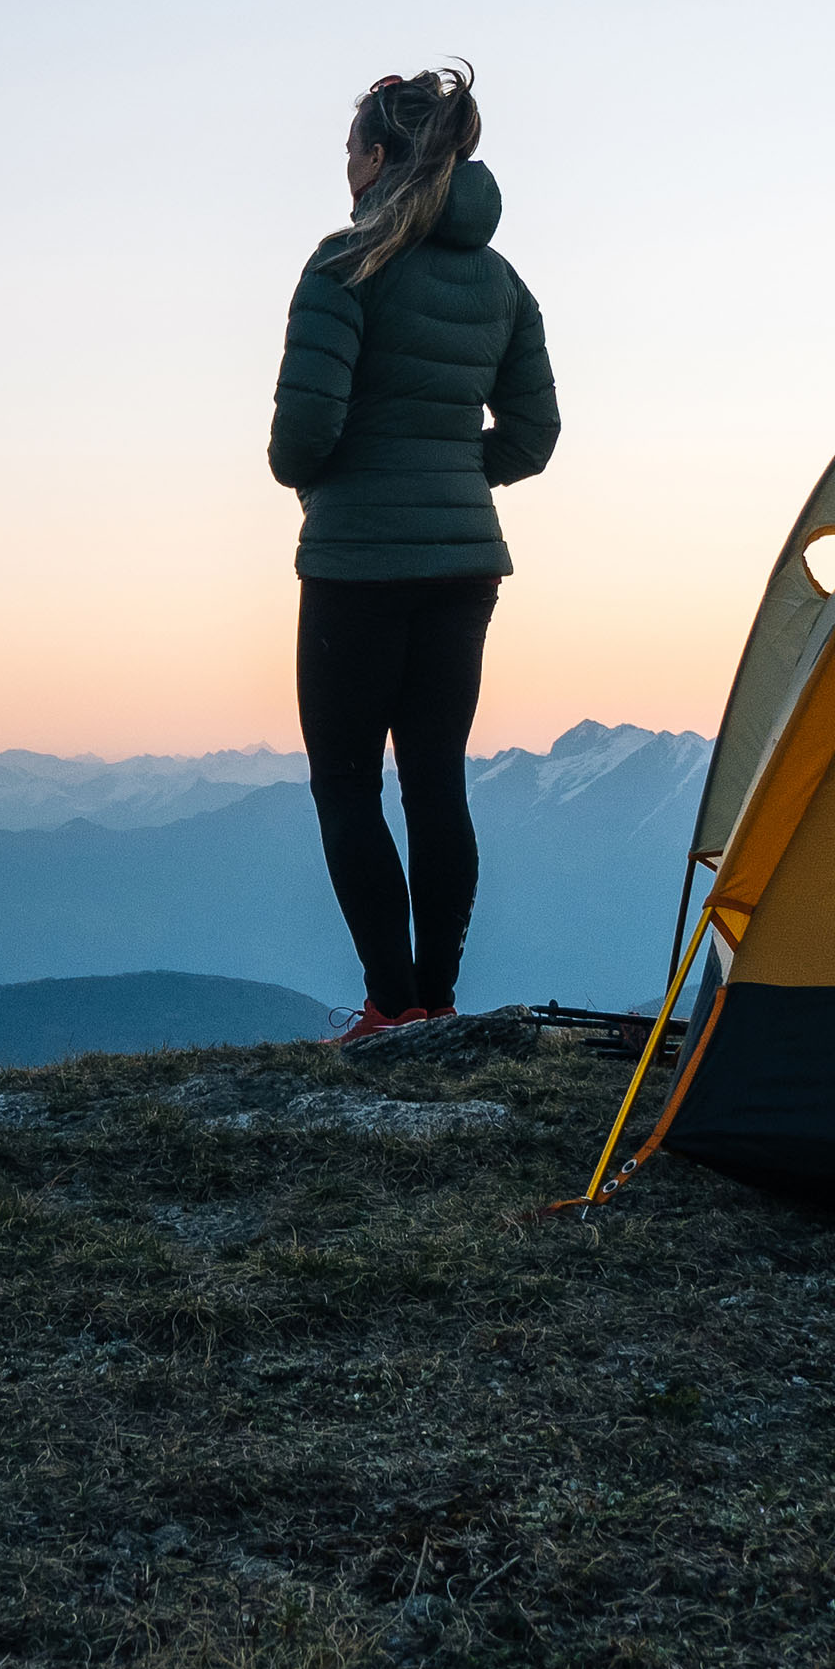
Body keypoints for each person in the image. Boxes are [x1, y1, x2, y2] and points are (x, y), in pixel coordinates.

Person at [268, 64, 559, 1045]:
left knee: (345, 780)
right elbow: (530, 438)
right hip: (464, 565)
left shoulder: (344, 264)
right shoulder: (504, 282)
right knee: (436, 778)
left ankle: (389, 1004)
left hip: (355, 562)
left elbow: (299, 441)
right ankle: (435, 999)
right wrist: (443, 462)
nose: (343, 167)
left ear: (379, 158)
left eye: (350, 149)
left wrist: (363, 467)